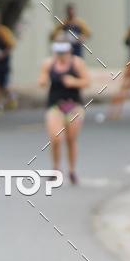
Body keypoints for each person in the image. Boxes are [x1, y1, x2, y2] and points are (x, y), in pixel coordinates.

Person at [39, 36, 90, 184]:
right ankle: (55, 168)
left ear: (69, 51)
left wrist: (74, 82)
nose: (61, 55)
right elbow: (42, 80)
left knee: (71, 139)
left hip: (73, 105)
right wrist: (43, 81)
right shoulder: (49, 63)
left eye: (64, 52)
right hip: (55, 105)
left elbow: (87, 81)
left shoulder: (77, 63)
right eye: (58, 52)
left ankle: (72, 170)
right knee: (55, 138)